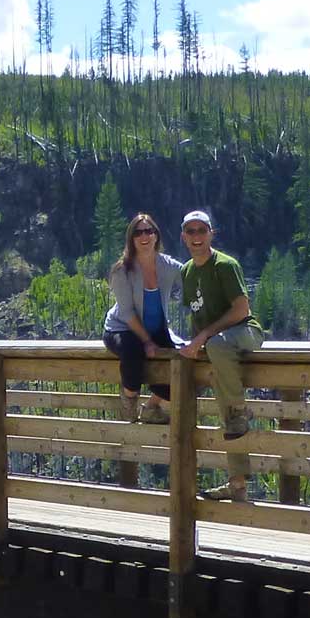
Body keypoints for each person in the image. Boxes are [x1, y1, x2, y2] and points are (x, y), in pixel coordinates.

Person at [176, 208, 264, 501]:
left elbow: (242, 310)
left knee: (230, 403)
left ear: (212, 233)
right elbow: (197, 315)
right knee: (225, 408)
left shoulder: (225, 265)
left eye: (202, 231)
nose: (197, 237)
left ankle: (239, 409)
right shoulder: (187, 271)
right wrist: (191, 343)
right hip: (216, 345)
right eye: (191, 232)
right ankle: (237, 484)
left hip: (245, 333)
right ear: (183, 237)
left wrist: (203, 338)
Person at [102, 212, 186, 425]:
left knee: (186, 364)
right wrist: (146, 341)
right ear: (131, 239)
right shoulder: (122, 270)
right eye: (138, 232)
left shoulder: (167, 265)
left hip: (156, 329)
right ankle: (129, 399)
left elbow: (190, 278)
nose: (144, 236)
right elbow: (127, 312)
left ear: (156, 235)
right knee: (133, 350)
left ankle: (151, 407)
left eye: (149, 230)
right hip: (122, 328)